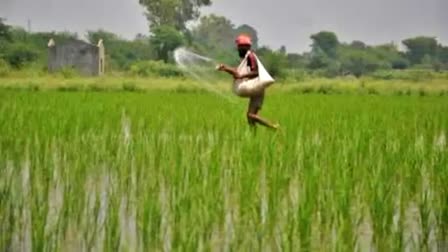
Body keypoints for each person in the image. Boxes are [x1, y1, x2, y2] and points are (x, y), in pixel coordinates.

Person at [217, 34, 279, 130]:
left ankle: (274, 127)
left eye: (240, 47)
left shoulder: (250, 57)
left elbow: (256, 72)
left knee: (250, 115)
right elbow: (236, 72)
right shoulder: (246, 58)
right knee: (250, 117)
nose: (239, 50)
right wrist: (225, 68)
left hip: (257, 89)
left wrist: (242, 76)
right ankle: (254, 137)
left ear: (246, 47)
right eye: (238, 47)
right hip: (257, 90)